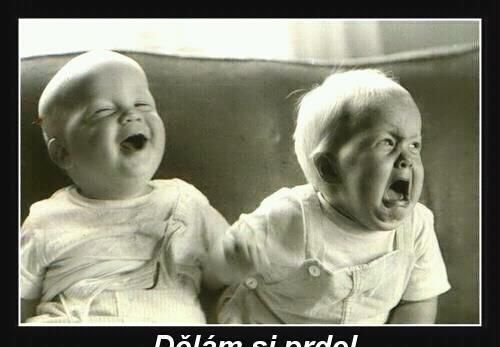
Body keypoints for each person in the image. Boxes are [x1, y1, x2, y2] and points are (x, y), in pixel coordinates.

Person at [211, 69, 450, 324]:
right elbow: (212, 271)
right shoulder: (285, 217)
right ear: (329, 168)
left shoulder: (416, 228)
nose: (407, 160)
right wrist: (228, 260)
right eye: (387, 143)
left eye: (414, 145)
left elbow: (419, 299)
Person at [20, 50, 228, 324]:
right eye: (103, 110)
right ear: (63, 153)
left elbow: (225, 270)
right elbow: (21, 301)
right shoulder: (46, 220)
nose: (131, 115)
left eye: (142, 104)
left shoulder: (185, 202)